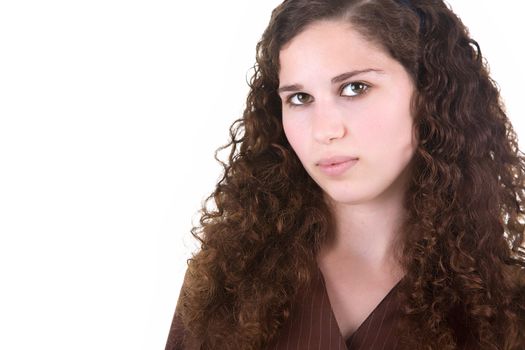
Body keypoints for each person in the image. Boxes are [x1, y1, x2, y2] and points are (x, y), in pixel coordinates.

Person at [166, 0, 525, 349]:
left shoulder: (505, 308)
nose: (324, 130)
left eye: (355, 88)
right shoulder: (227, 279)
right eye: (300, 98)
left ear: (430, 93)